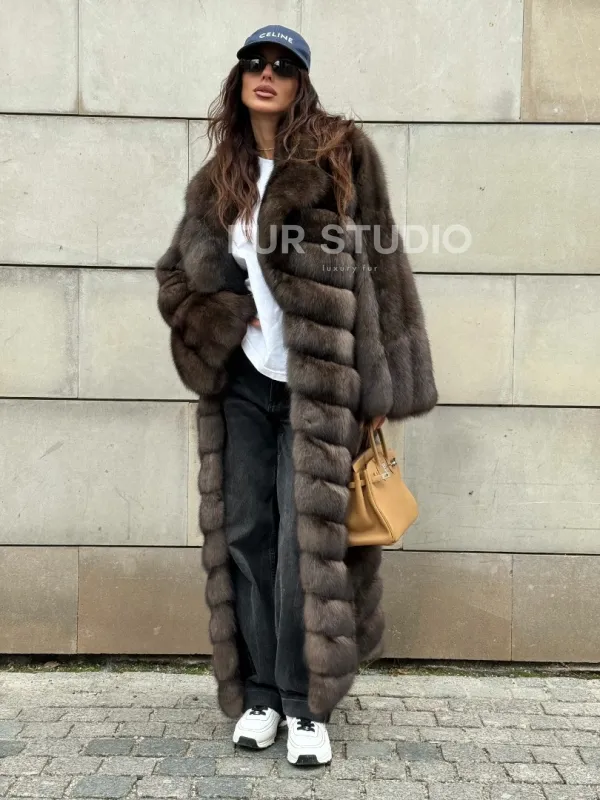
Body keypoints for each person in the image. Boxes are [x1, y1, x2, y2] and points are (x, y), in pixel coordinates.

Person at [155, 24, 438, 767]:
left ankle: (302, 706)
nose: (268, 73)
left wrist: (381, 381)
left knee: (305, 548)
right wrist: (223, 315)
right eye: (256, 62)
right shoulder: (220, 178)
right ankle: (257, 694)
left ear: (299, 82)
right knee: (249, 535)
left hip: (321, 386)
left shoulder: (340, 154)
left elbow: (382, 267)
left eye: (283, 65)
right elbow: (175, 276)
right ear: (240, 78)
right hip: (245, 384)